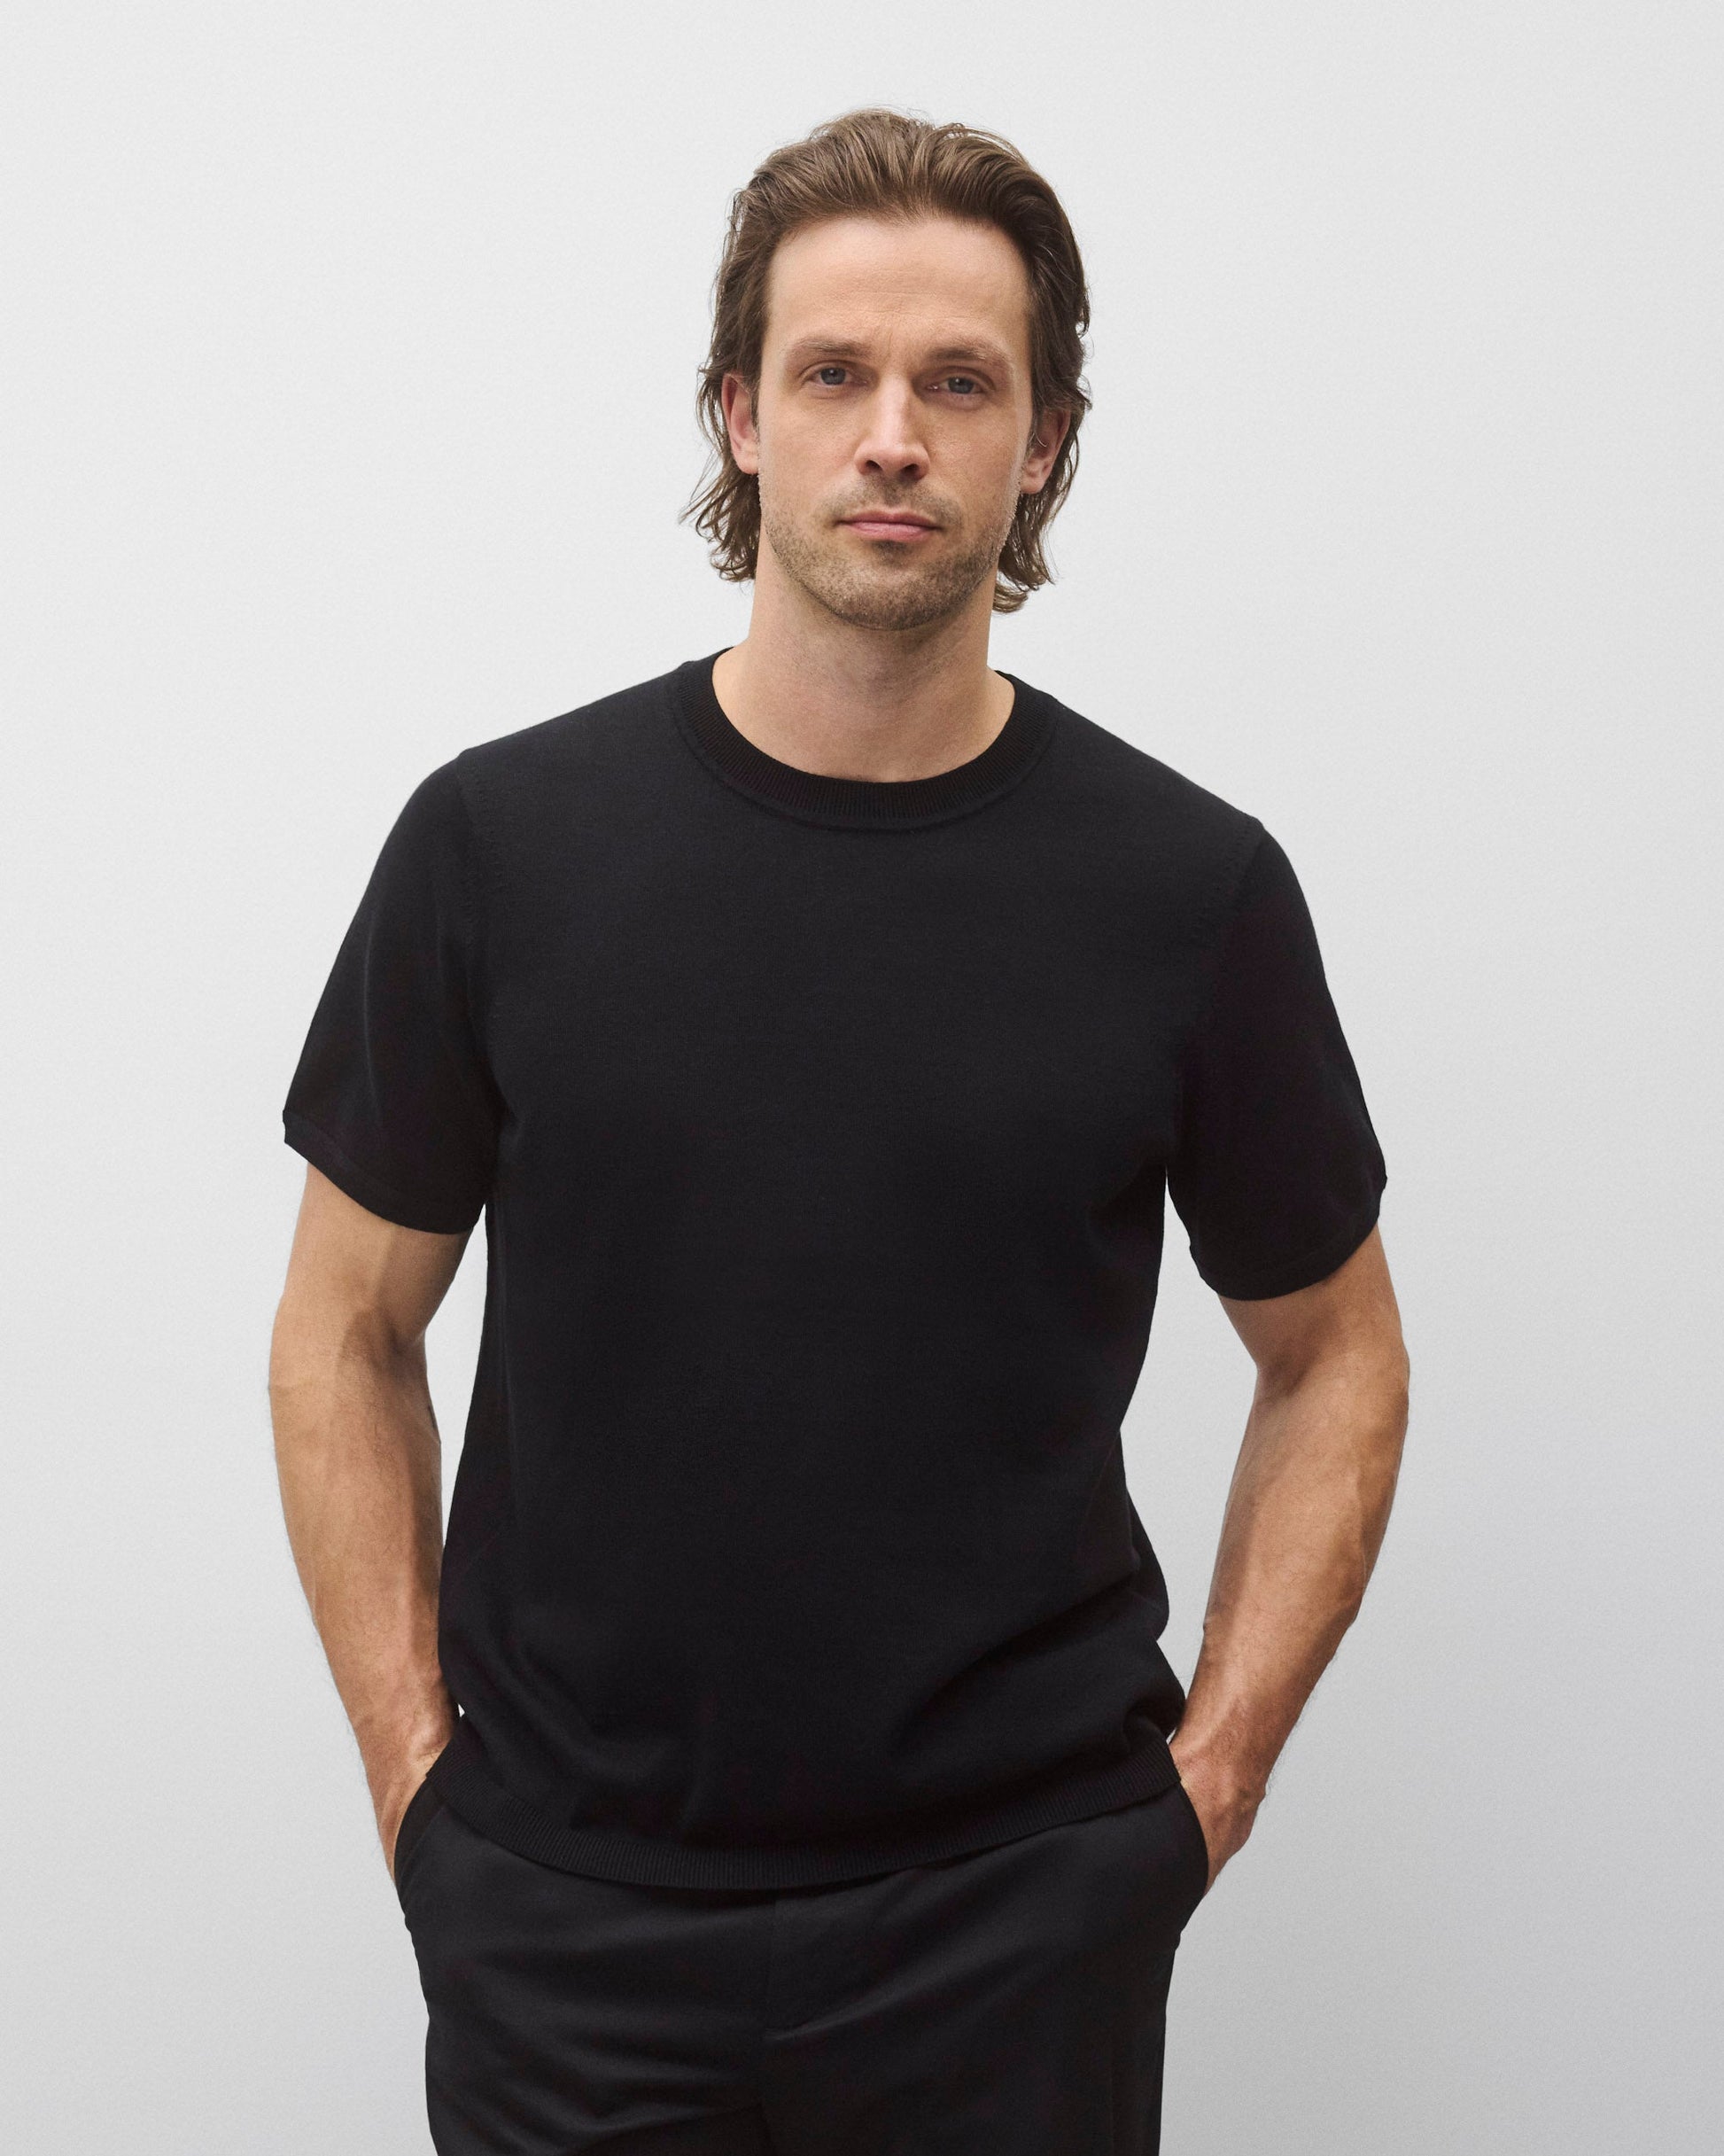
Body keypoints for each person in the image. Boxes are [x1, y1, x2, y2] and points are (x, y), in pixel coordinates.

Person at [269, 106, 1409, 2156]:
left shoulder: (1188, 888)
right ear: (739, 415)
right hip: (567, 1927)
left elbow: (1337, 1352)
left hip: (1016, 1928)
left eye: (958, 382)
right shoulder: (499, 847)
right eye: (832, 374)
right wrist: (417, 1787)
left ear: (1043, 441)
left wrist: (1205, 1786)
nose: (892, 436)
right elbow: (342, 1329)